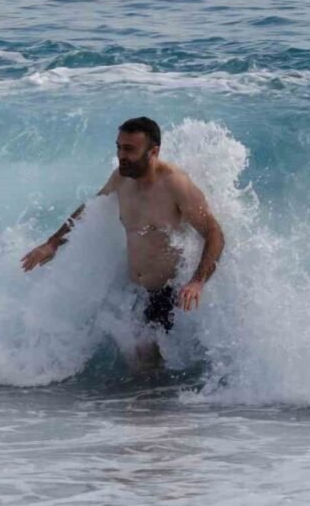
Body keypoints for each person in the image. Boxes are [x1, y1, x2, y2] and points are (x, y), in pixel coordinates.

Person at [20, 117, 224, 363]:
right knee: (133, 362)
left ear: (153, 151)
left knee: (146, 362)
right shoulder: (121, 178)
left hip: (166, 293)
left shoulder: (175, 184)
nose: (121, 155)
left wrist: (197, 282)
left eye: (129, 149)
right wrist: (52, 243)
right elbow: (91, 209)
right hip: (133, 292)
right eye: (119, 147)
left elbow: (214, 233)